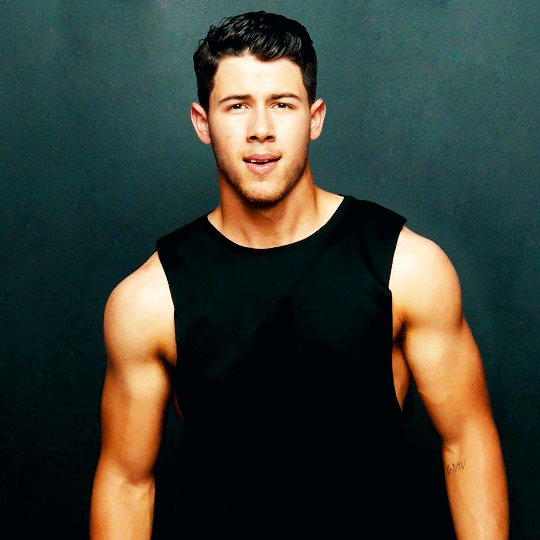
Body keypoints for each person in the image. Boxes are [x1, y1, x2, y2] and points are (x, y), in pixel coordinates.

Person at [90, 11, 509, 539]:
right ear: (202, 122)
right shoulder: (148, 301)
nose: (260, 130)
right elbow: (126, 484)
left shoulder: (407, 268)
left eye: (282, 105)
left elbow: (466, 440)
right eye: (237, 105)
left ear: (315, 118)